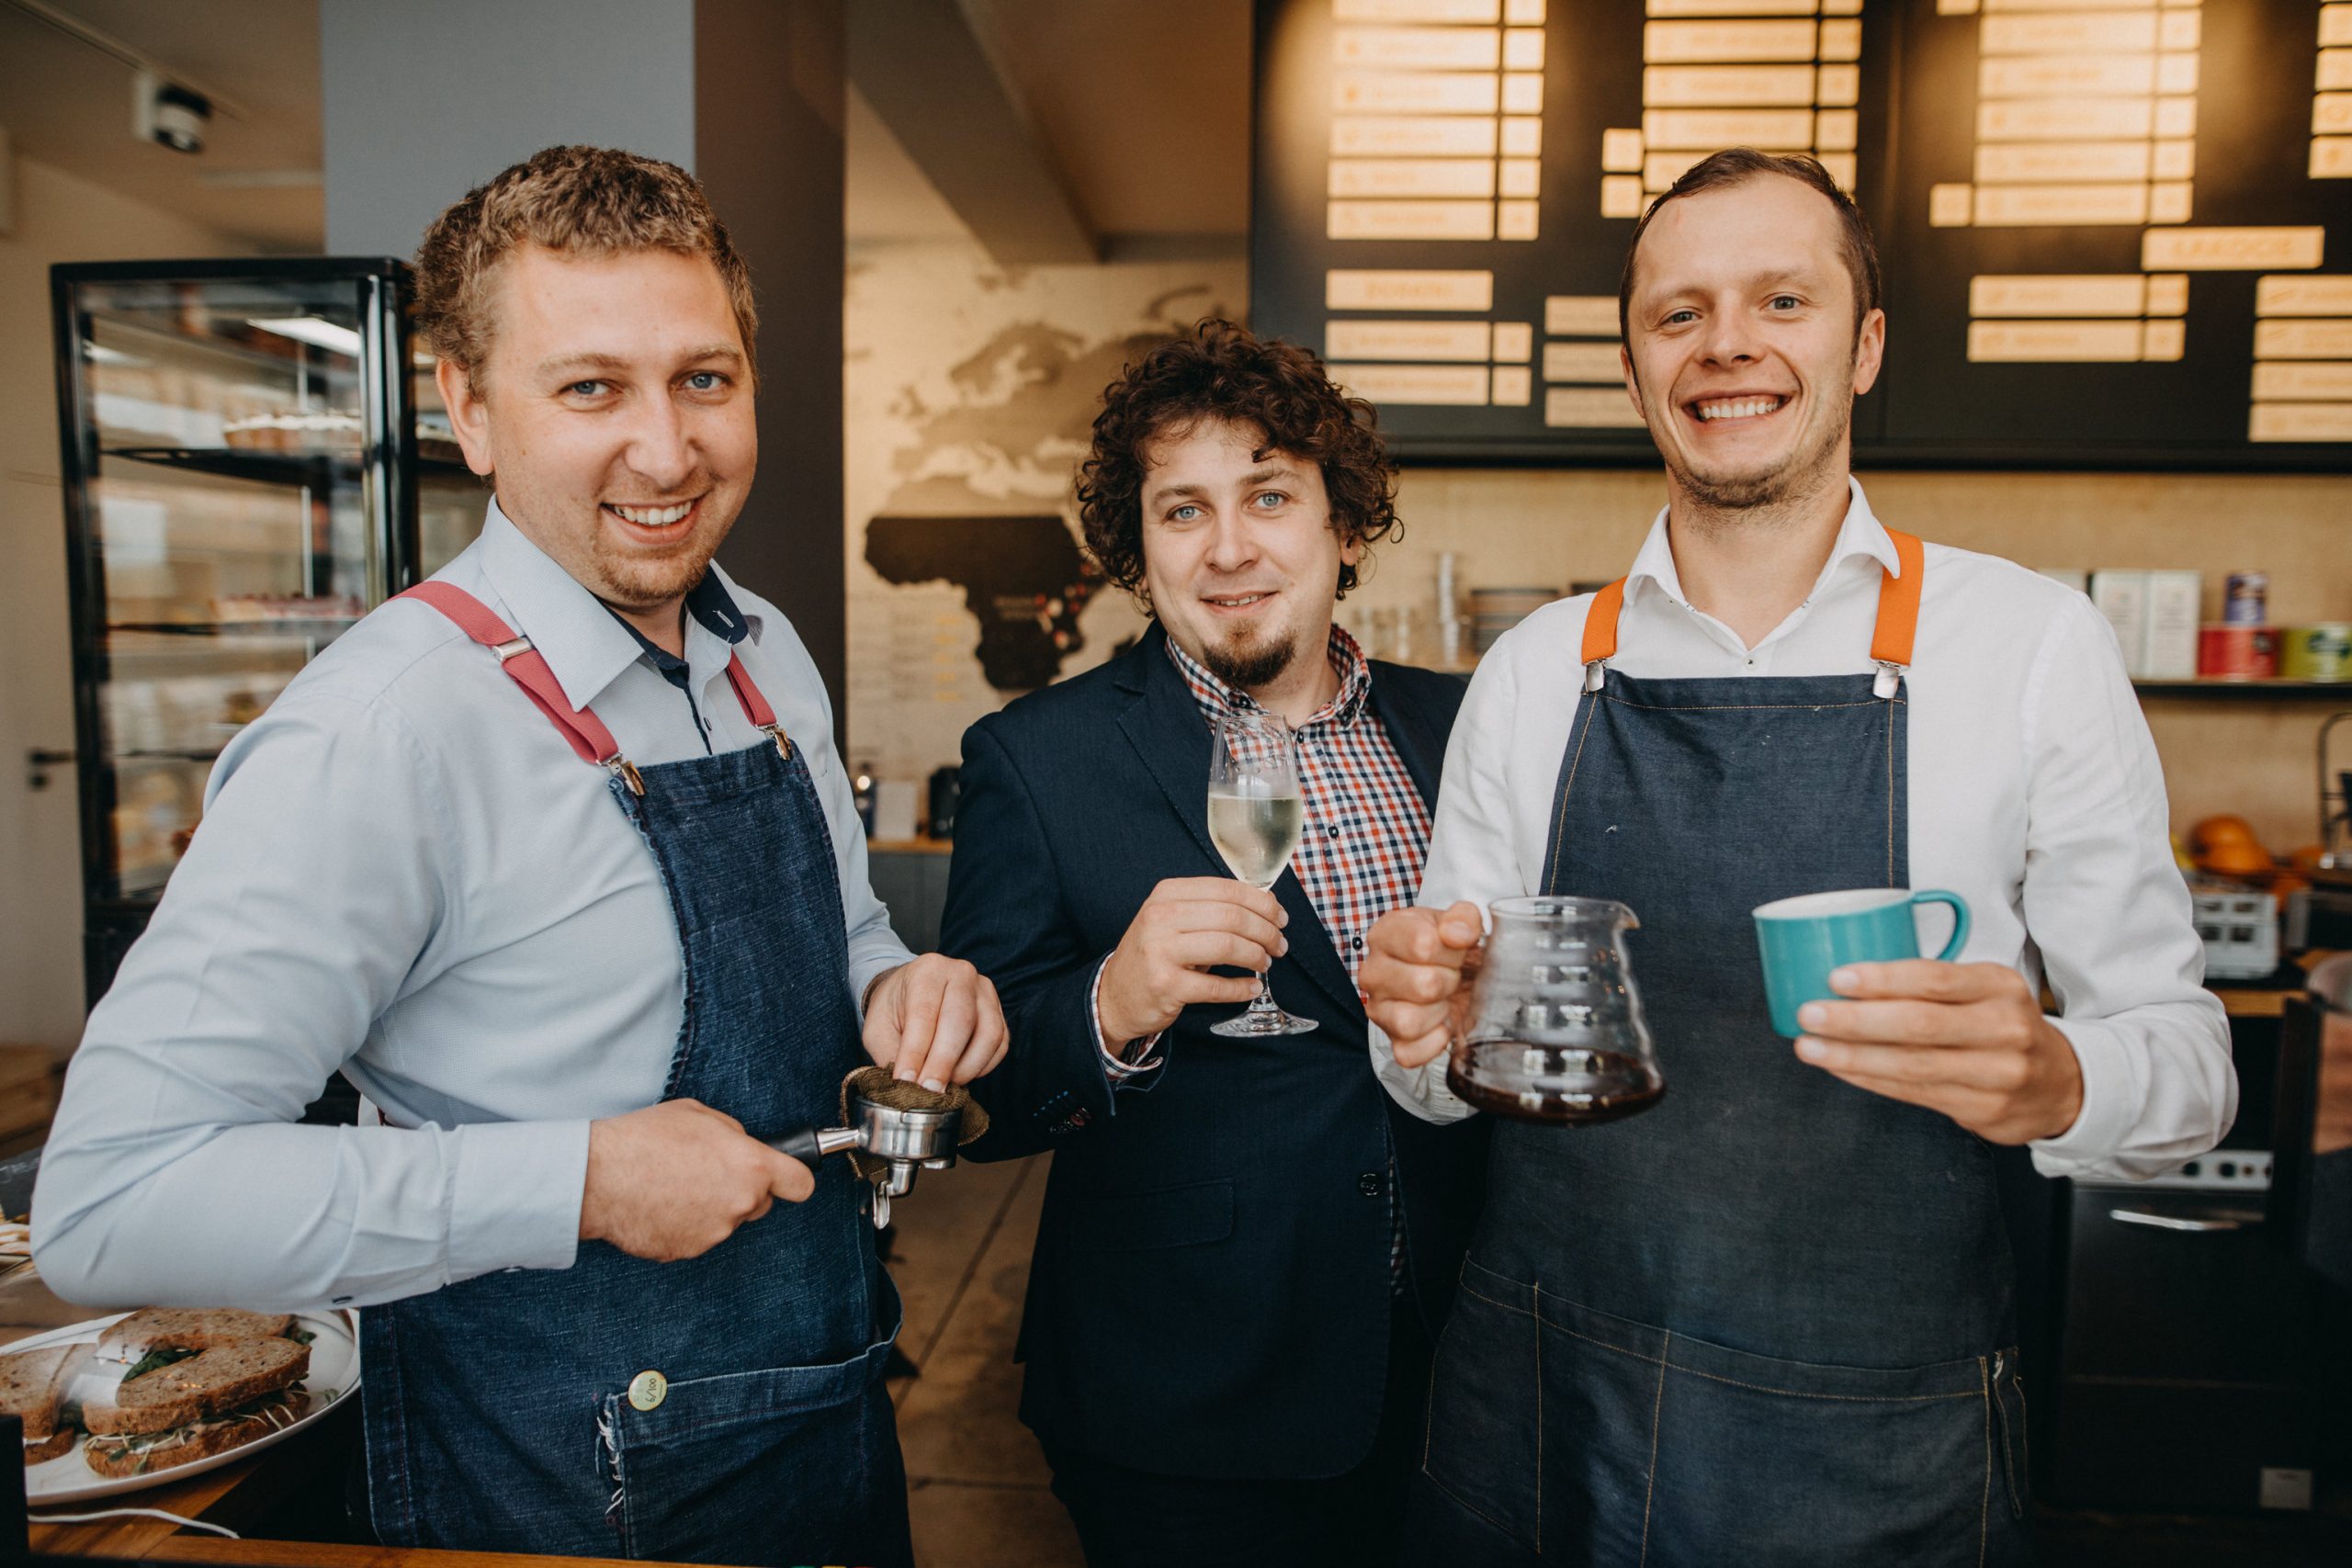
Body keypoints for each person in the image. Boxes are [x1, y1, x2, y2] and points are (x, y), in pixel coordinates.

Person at [32, 146, 1007, 1568]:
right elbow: (113, 1203)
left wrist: (897, 983)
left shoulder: (765, 654)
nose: (668, 451)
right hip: (554, 1485)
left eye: (706, 379)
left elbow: (847, 931)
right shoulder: (385, 734)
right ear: (470, 409)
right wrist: (584, 1183)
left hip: (825, 1417)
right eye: (591, 387)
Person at [1361, 151, 2235, 1568]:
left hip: (1881, 1430)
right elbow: (1441, 1079)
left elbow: (2190, 1064)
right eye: (1679, 313)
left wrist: (2062, 1078)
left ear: (1866, 343)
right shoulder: (1531, 673)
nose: (1729, 348)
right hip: (1538, 1399)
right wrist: (1425, 1029)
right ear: (1636, 366)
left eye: (1783, 298)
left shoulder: (2027, 649)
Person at [939, 321, 1488, 1568]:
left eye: (1271, 497)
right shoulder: (1035, 760)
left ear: (1344, 529)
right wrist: (1111, 1004)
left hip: (1465, 1369)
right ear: (1138, 552)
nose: (1230, 546)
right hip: (1186, 1401)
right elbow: (982, 1097)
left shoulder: (1467, 728)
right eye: (1182, 511)